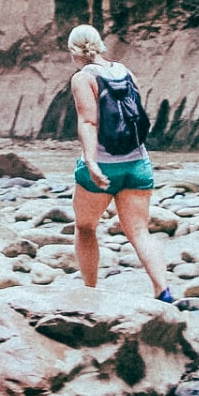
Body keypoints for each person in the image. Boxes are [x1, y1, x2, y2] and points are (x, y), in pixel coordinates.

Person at [66, 24, 172, 303]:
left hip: (103, 163)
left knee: (86, 227)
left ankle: (90, 292)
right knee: (139, 231)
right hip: (138, 163)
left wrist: (91, 161)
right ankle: (164, 292)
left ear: (73, 51)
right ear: (99, 44)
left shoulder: (83, 78)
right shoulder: (124, 71)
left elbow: (88, 120)